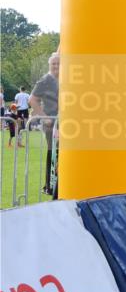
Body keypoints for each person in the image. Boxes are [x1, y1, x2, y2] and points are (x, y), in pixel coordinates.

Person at [28, 53, 59, 197]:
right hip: (52, 124)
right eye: (54, 64)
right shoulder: (45, 80)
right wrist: (44, 117)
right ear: (49, 65)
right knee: (54, 151)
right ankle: (50, 185)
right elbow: (32, 100)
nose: (56, 66)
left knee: (61, 153)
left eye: (59, 63)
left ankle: (57, 184)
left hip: (66, 123)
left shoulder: (64, 80)